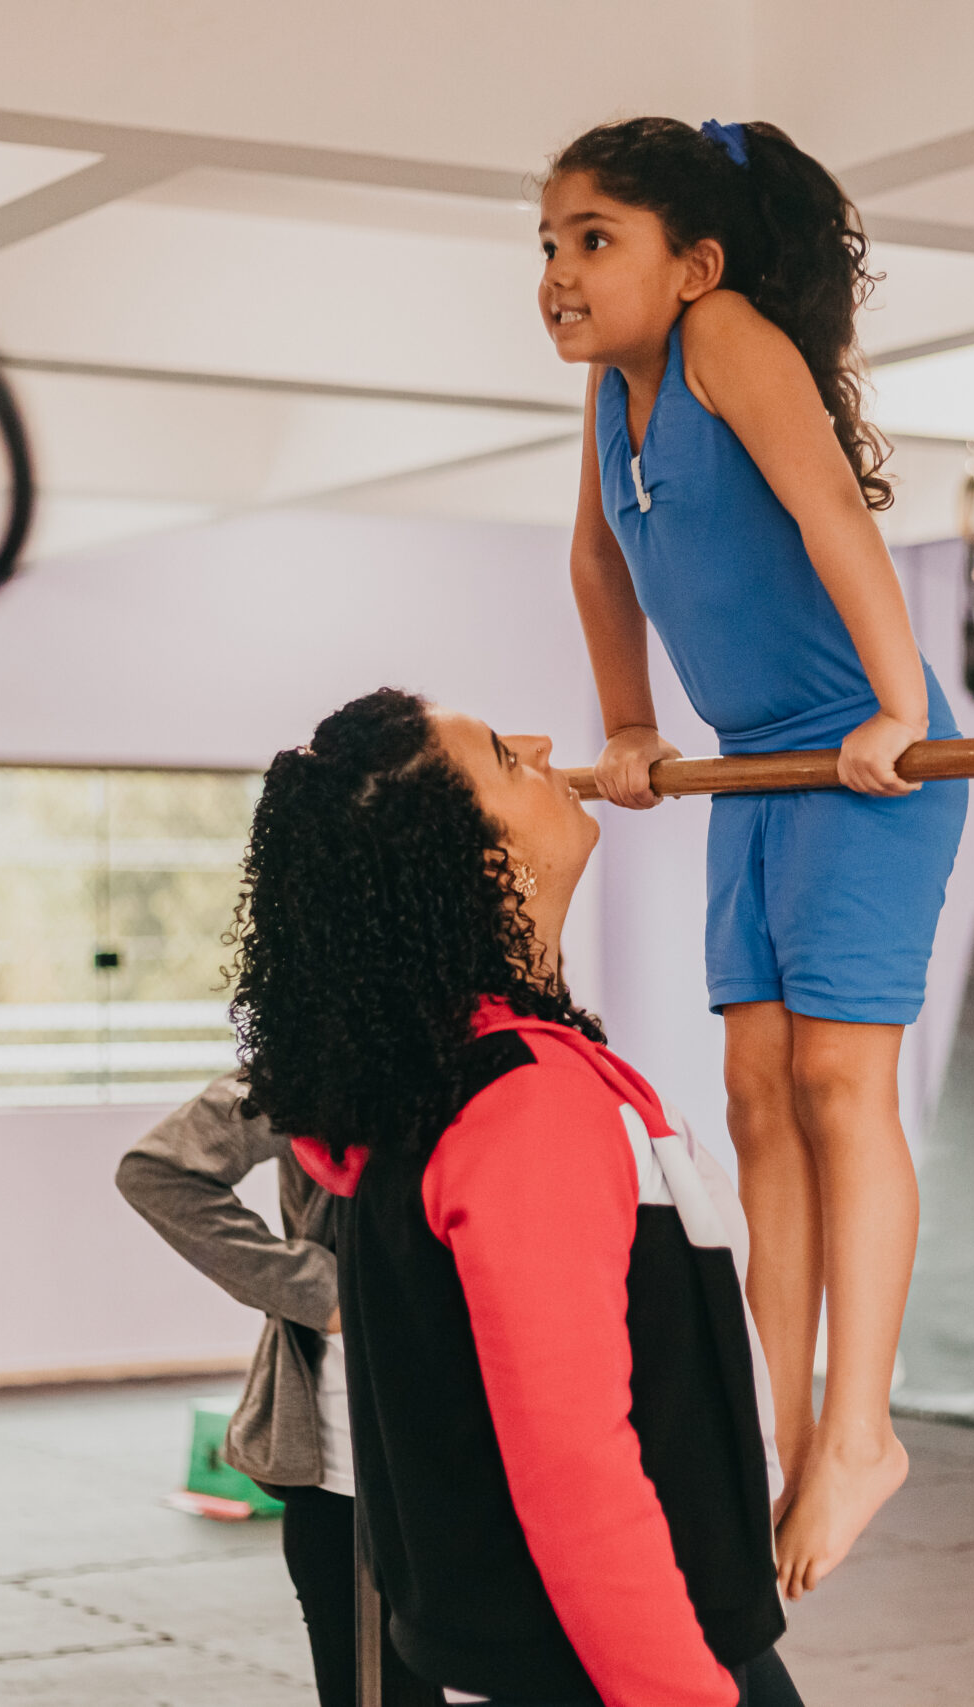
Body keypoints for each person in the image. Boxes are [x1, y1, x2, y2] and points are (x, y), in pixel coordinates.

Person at [542, 114, 966, 1597]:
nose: (559, 272)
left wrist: (899, 709)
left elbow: (828, 507)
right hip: (757, 768)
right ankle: (781, 1425)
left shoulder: (724, 339)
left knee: (842, 1083)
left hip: (860, 750)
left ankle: (863, 1431)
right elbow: (597, 560)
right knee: (753, 1095)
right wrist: (627, 724)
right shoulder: (611, 389)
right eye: (549, 244)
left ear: (695, 264)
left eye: (596, 239)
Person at [236, 687, 800, 1707]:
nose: (542, 744)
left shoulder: (468, 1075)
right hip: (623, 1664)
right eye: (503, 754)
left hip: (634, 1636)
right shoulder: (522, 1105)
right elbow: (574, 1468)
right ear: (474, 856)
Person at [117, 1080, 443, 1707]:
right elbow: (157, 1171)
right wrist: (322, 1293)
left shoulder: (525, 1061)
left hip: (490, 1462)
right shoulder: (314, 1059)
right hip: (347, 1467)